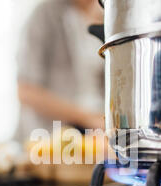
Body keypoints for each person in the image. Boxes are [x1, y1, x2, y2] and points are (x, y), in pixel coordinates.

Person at [15, 0, 105, 144]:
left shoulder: (106, 14)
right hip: (48, 137)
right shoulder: (44, 15)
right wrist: (88, 118)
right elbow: (26, 91)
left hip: (95, 135)